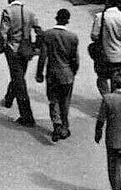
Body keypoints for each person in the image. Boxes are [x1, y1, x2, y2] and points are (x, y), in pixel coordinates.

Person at [0, 0, 41, 127]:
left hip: (13, 49)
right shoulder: (29, 11)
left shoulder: (8, 11)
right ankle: (9, 99)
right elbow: (39, 30)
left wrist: (0, 48)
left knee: (18, 79)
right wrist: (36, 46)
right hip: (26, 49)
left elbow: (3, 33)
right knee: (19, 74)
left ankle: (27, 116)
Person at [36, 8, 80, 142]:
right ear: (67, 21)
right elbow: (75, 59)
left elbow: (43, 56)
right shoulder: (72, 37)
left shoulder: (48, 34)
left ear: (56, 18)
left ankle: (57, 124)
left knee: (53, 100)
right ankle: (65, 127)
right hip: (67, 74)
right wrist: (73, 72)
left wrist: (39, 73)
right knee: (65, 101)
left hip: (52, 73)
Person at [91, 1, 121, 96]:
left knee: (101, 78)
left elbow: (94, 36)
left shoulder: (100, 16)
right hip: (117, 54)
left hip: (103, 55)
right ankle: (114, 101)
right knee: (116, 79)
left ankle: (107, 99)